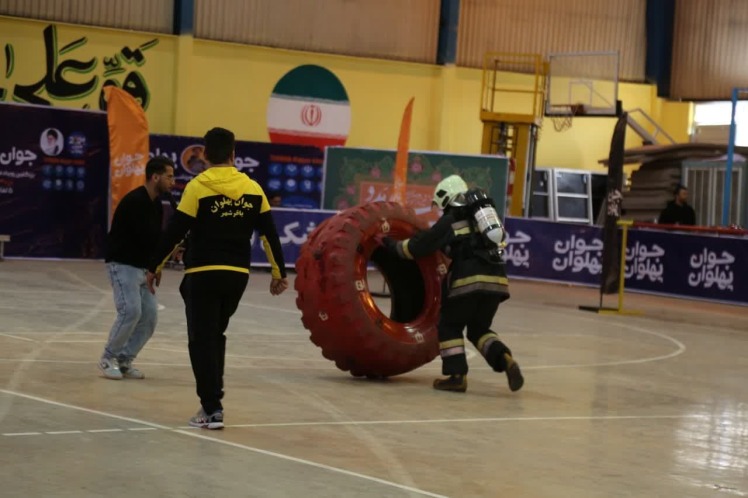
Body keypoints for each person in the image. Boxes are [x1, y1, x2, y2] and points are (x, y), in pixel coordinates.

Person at [146, 127, 288, 430]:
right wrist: (279, 274)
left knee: (201, 340)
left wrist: (154, 265)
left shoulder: (197, 187)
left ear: (205, 156)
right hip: (236, 277)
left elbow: (175, 230)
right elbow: (270, 235)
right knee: (215, 336)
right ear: (234, 155)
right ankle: (213, 401)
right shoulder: (253, 189)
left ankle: (211, 408)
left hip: (203, 274)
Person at [382, 175, 523, 394]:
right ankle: (505, 360)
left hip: (468, 280)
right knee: (479, 330)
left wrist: (392, 247)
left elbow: (421, 246)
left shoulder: (452, 219)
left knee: (449, 325)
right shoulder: (482, 221)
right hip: (497, 281)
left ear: (446, 198)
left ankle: (456, 376)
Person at [99, 156, 176, 380]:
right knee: (131, 311)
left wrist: (156, 267)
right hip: (123, 265)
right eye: (169, 177)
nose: (173, 182)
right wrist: (170, 248)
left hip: (143, 269)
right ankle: (107, 358)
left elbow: (152, 240)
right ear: (155, 177)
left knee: (150, 316)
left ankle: (124, 360)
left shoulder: (156, 205)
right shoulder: (135, 202)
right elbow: (148, 238)